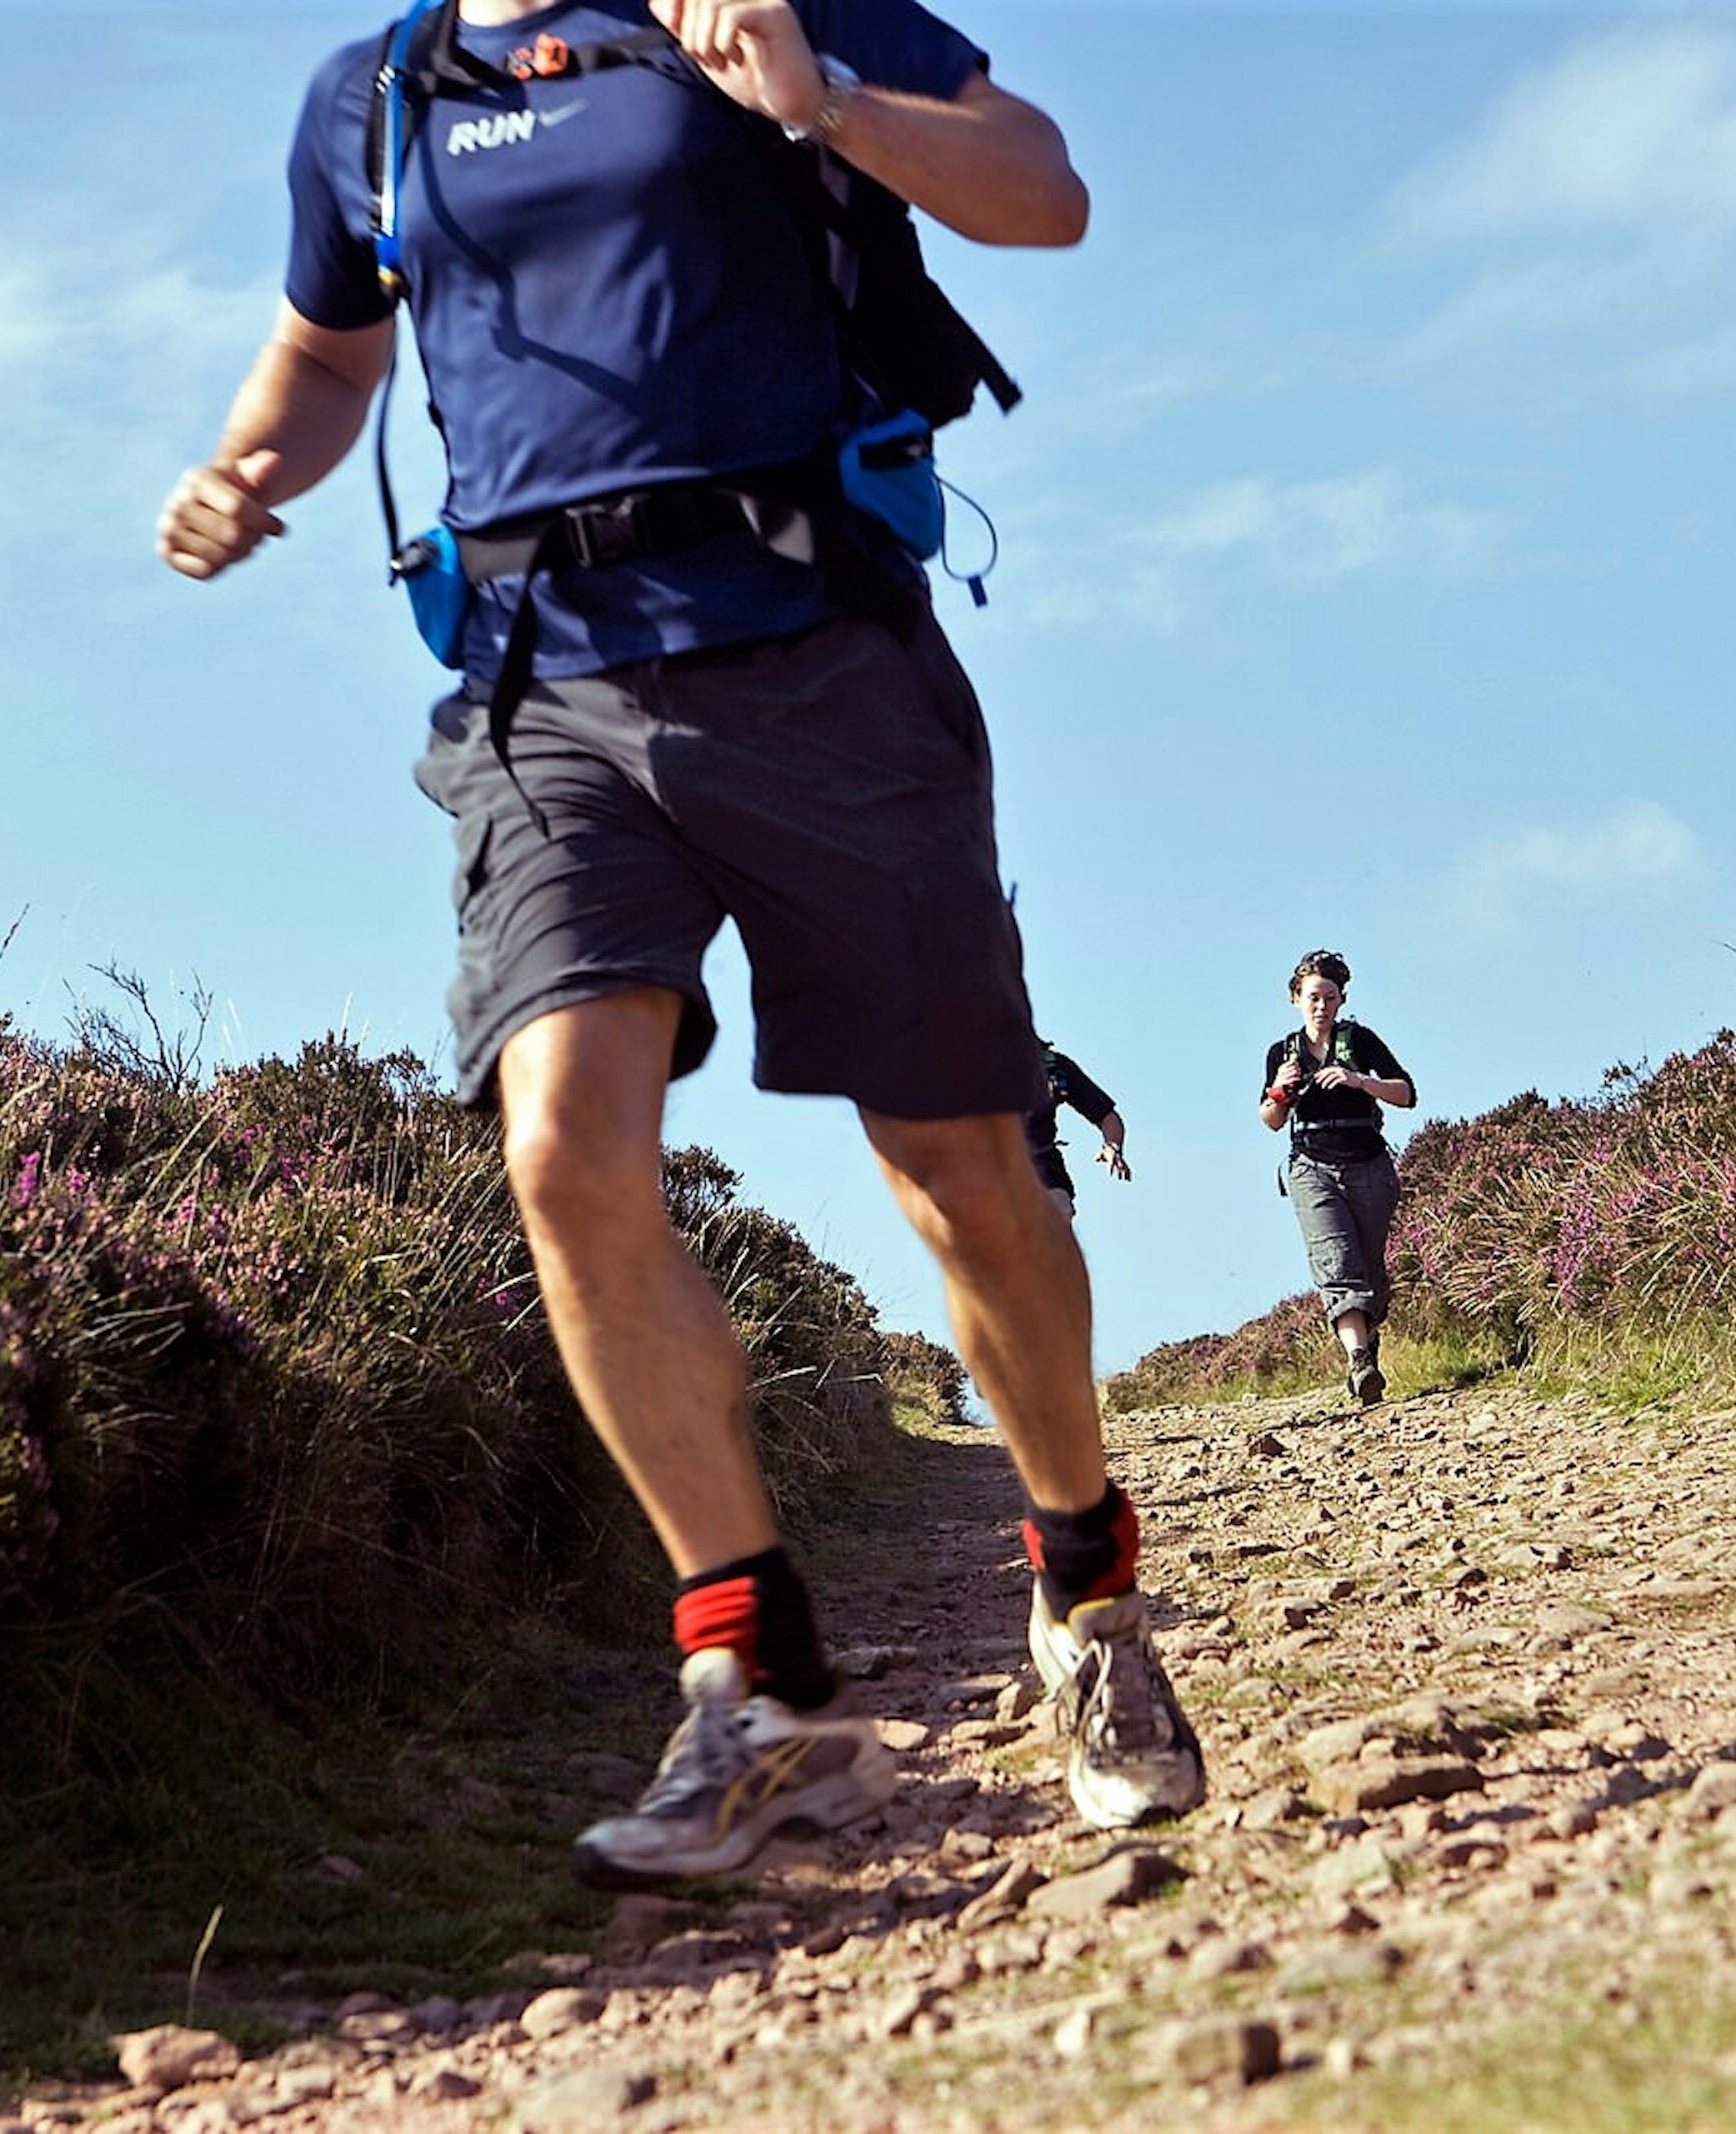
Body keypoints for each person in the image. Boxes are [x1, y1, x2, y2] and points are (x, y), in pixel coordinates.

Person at [157, 0, 1201, 1889]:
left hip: (811, 648)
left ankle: (1085, 1587)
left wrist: (822, 102)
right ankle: (752, 1677)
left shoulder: (745, 3)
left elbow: (1040, 192)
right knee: (561, 1145)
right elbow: (327, 353)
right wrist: (245, 468)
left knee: (959, 1165)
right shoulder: (378, 94)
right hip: (534, 681)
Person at [1258, 948, 1417, 1405]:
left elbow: (1407, 1094)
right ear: (1295, 999)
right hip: (1311, 1168)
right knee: (1337, 1265)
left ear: (1341, 1000)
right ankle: (1360, 1361)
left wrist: (1358, 1080)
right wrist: (1279, 1091)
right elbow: (1270, 1119)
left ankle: (1367, 1339)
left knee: (1371, 1272)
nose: (1321, 1006)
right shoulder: (1281, 1053)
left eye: (1329, 997)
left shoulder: (1361, 1041)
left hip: (1368, 1164)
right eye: (1312, 997)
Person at [1026, 1038, 1129, 1219]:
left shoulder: (1053, 1066)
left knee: (1058, 1212)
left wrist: (1112, 1146)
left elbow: (1107, 1117)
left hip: (1044, 1169)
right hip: (987, 1171)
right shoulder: (972, 1066)